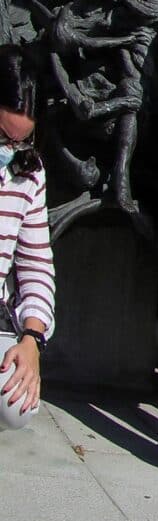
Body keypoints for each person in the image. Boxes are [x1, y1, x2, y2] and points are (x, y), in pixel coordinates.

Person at [0, 48, 53, 430]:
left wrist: (32, 339)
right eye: (3, 136)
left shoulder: (29, 176)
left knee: (17, 405)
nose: (10, 151)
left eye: (20, 142)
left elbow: (36, 265)